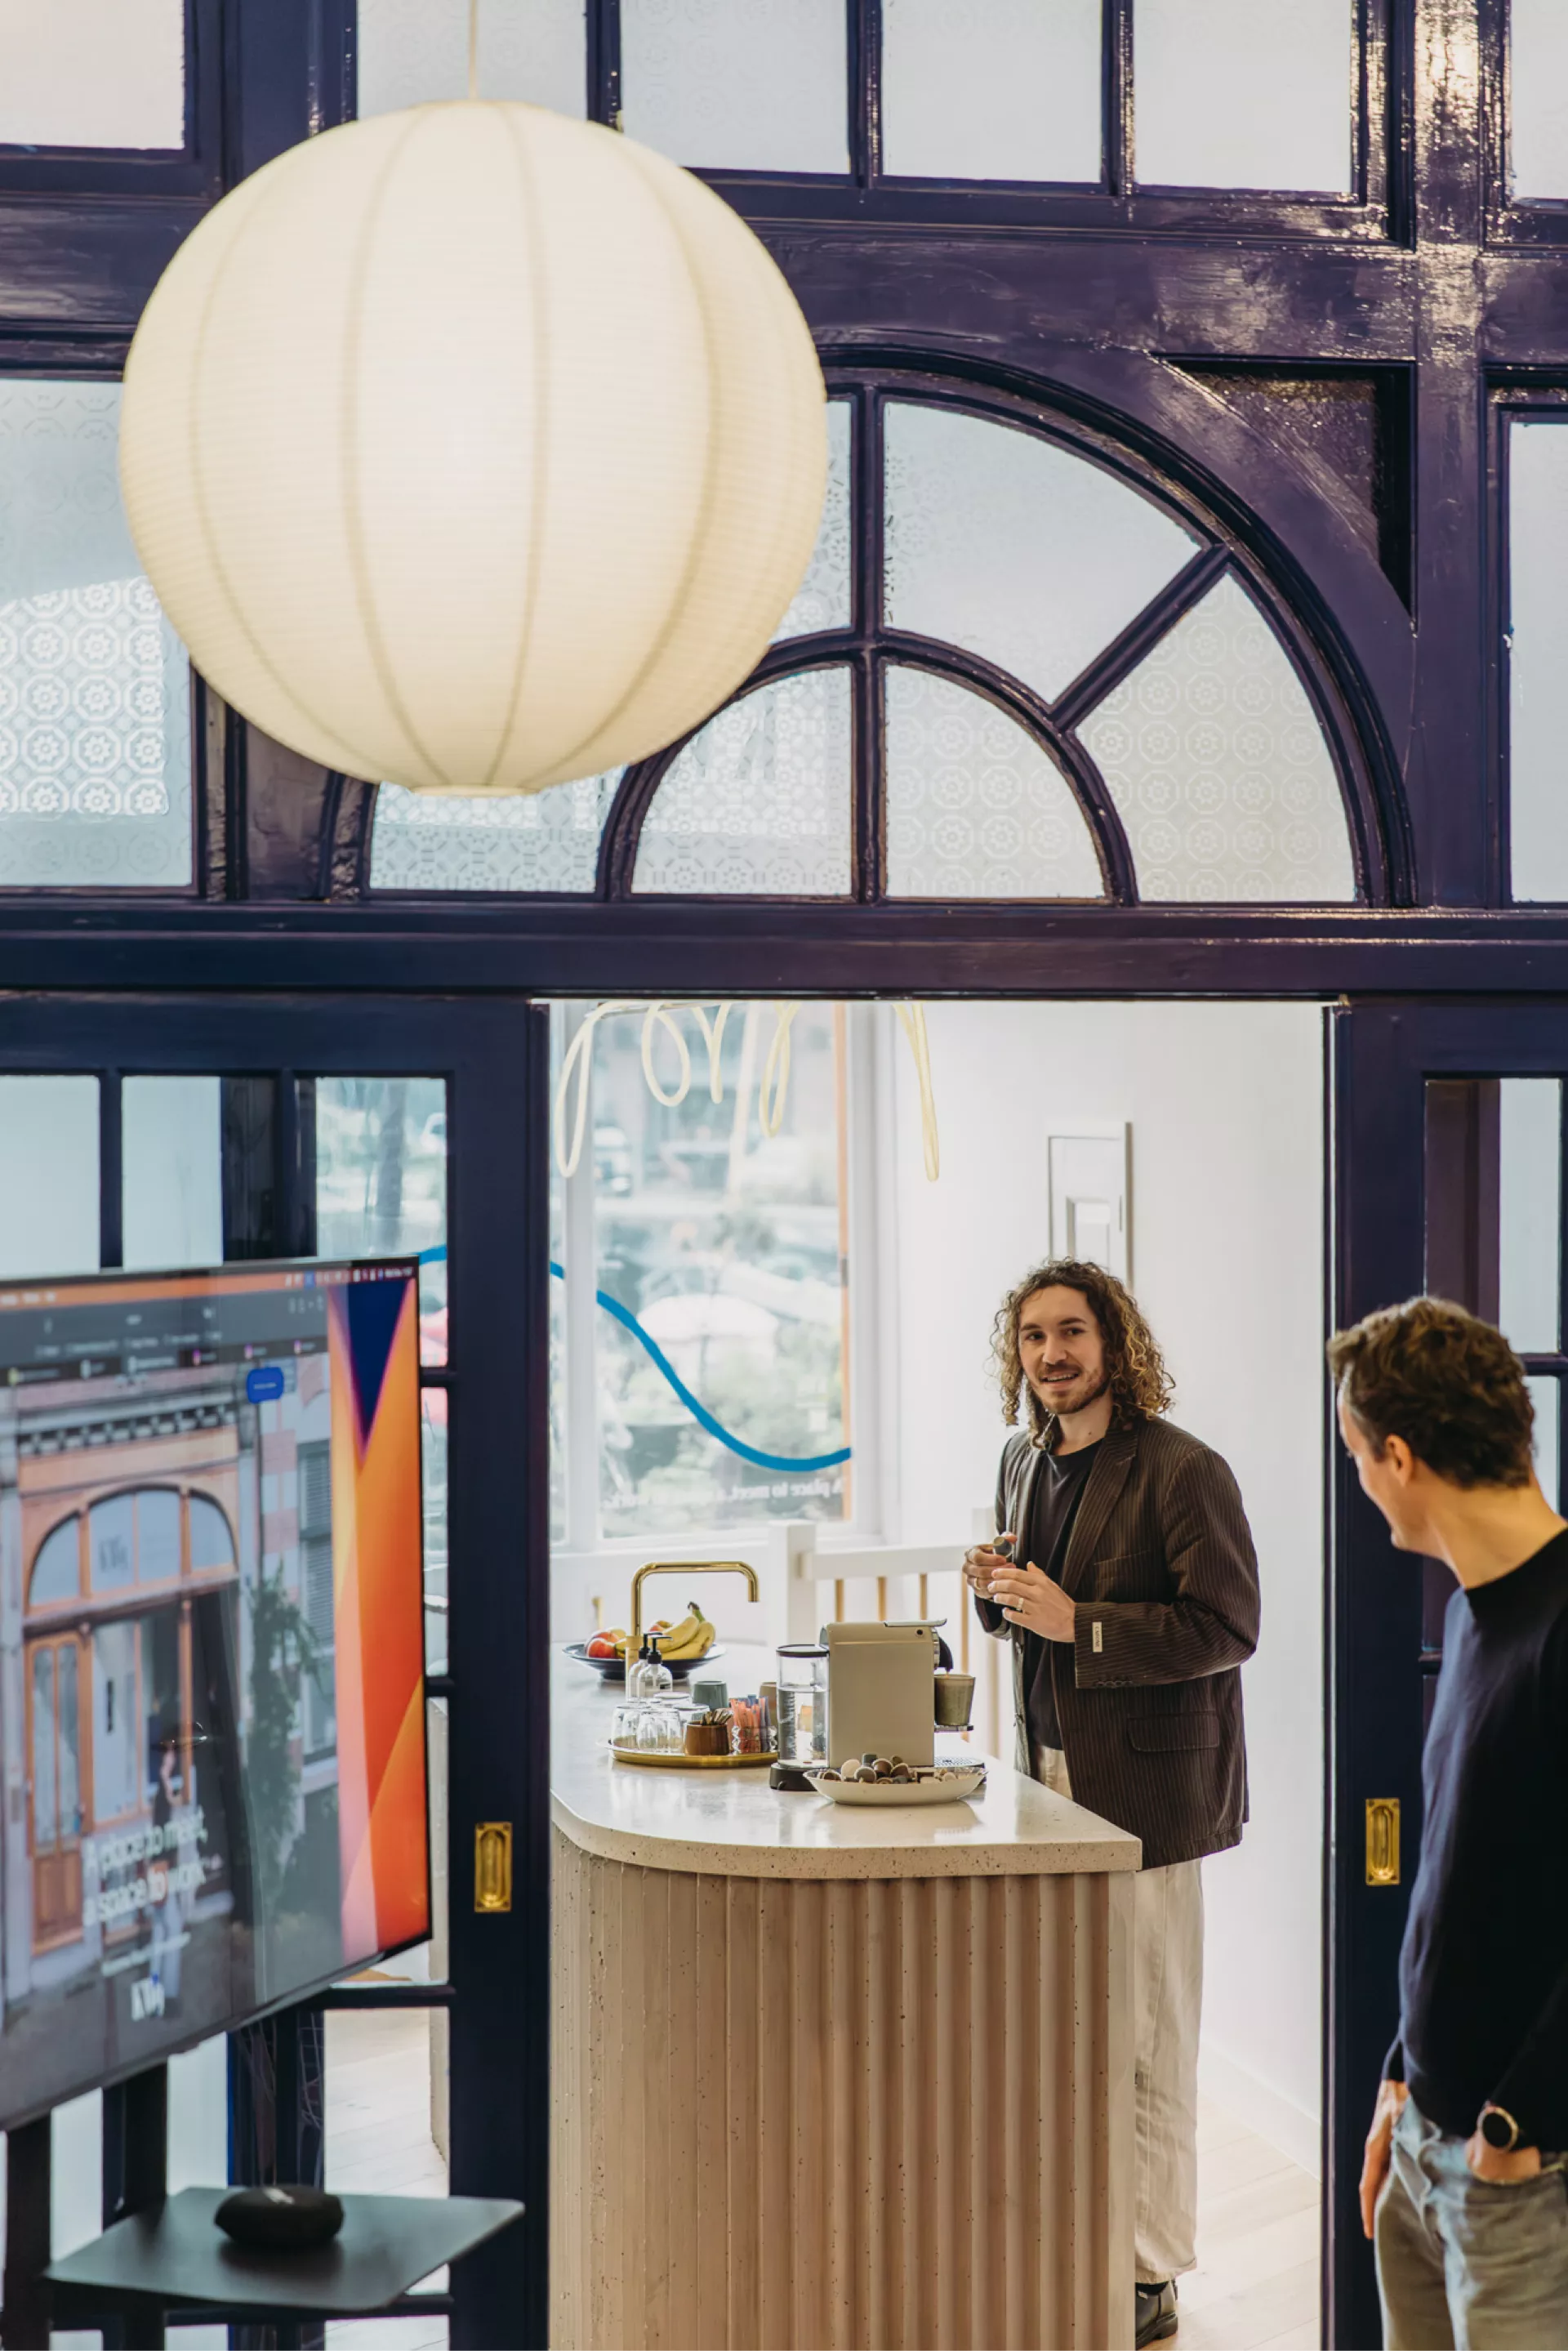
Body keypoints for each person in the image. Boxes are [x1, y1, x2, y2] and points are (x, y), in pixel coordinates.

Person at [964, 1260, 1260, 2348]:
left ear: (1115, 1343)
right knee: (1061, 2030)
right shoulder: (1020, 1457)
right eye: (1035, 1336)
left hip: (1148, 1795)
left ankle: (1147, 2273)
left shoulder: (1186, 1471)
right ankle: (1074, 2236)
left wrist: (1076, 1622)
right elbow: (1025, 1617)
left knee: (1148, 2042)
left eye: (1072, 1332)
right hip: (1041, 1779)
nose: (1052, 1354)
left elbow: (1225, 1628)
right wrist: (994, 1595)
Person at [1329, 1296, 1568, 2350]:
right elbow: (1460, 1880)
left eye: (1358, 1457)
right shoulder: (1472, 1609)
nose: (1361, 1483)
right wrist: (1397, 2073)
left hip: (1519, 2175)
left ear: (1398, 1454)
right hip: (1422, 2146)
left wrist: (1514, 2126)